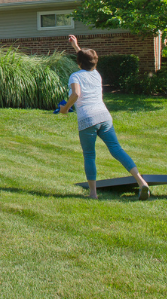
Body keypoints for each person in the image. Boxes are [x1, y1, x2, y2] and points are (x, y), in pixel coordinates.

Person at [60, 35, 150, 200]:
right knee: (117, 150)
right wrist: (76, 46)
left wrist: (65, 108)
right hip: (104, 116)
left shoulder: (75, 76)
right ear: (94, 63)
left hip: (87, 119)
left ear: (79, 63)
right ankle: (141, 182)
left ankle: (93, 194)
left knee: (89, 155)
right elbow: (87, 61)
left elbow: (76, 94)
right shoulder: (96, 74)